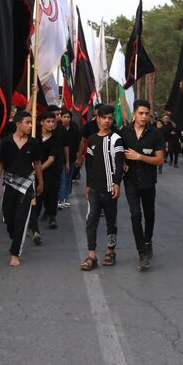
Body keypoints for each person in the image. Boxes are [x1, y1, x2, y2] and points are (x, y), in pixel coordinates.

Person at [0, 110, 43, 267]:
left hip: (27, 184)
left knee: (21, 219)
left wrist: (40, 182)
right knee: (8, 215)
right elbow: (0, 163)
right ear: (18, 124)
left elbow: (37, 163)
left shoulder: (34, 143)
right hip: (9, 183)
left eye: (31, 122)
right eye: (27, 123)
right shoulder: (6, 142)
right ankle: (13, 234)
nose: (30, 125)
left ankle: (15, 253)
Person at [120, 99, 163, 270]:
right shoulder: (124, 132)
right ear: (134, 114)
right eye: (141, 113)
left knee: (149, 214)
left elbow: (159, 160)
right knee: (135, 215)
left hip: (148, 181)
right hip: (130, 181)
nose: (144, 117)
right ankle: (142, 252)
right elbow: (117, 152)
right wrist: (122, 161)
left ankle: (147, 239)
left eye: (147, 114)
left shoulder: (155, 133)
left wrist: (139, 157)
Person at [80, 104, 123, 271]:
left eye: (110, 118)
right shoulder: (91, 139)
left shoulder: (116, 139)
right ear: (97, 119)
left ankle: (110, 250)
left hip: (110, 189)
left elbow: (119, 164)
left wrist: (117, 184)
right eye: (104, 118)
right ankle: (91, 255)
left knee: (111, 221)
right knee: (91, 221)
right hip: (95, 189)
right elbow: (89, 165)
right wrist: (88, 185)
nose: (107, 121)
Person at [30, 110, 62, 237]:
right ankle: (33, 224)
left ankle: (52, 216)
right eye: (48, 121)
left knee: (51, 194)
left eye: (53, 122)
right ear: (41, 122)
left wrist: (38, 169)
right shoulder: (34, 136)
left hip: (49, 172)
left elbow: (51, 159)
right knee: (36, 197)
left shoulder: (55, 138)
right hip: (33, 172)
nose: (51, 124)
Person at [57, 109, 78, 209]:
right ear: (61, 118)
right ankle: (61, 198)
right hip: (61, 159)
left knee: (69, 179)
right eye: (64, 117)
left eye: (68, 117)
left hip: (72, 158)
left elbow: (78, 143)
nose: (66, 119)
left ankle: (65, 197)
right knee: (63, 178)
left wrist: (79, 156)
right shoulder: (58, 129)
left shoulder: (74, 129)